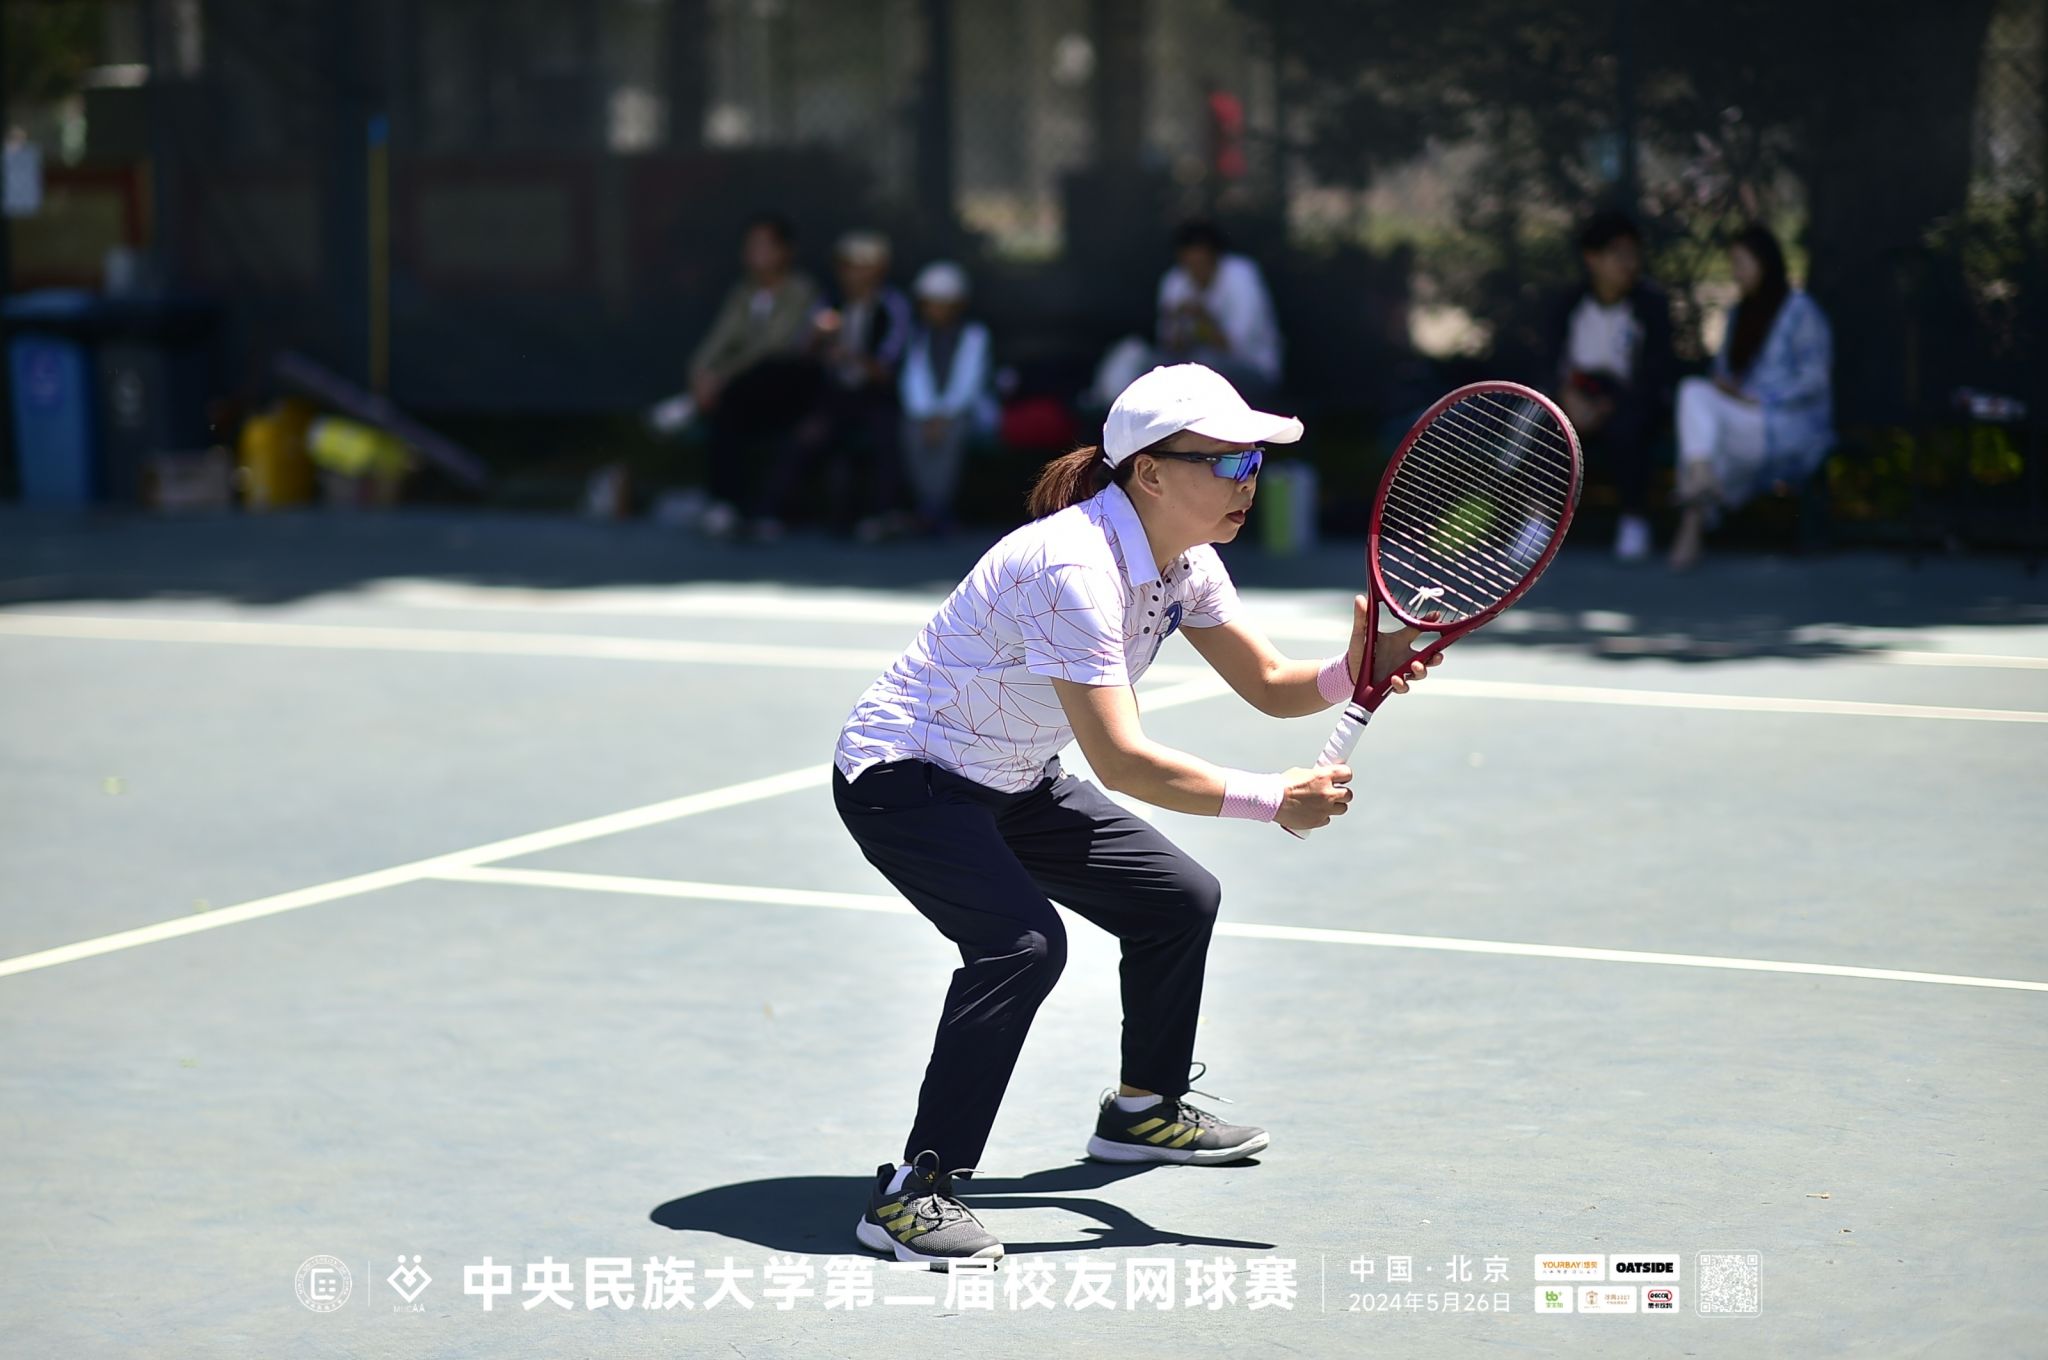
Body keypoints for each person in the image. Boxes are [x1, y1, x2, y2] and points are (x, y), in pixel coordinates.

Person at [834, 363, 1441, 1269]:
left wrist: (1357, 664)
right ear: (1150, 473)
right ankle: (912, 1193)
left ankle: (1142, 1111)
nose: (1249, 480)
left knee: (1176, 900)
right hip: (906, 777)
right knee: (1020, 946)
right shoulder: (1071, 568)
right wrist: (1275, 801)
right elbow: (1121, 761)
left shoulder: (1184, 562)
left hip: (1011, 776)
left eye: (1255, 462)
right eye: (1228, 461)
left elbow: (1269, 685)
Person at [1669, 224, 1834, 571]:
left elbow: (1814, 380)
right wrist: (1728, 388)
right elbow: (1724, 373)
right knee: (1694, 396)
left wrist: (1758, 398)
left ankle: (1692, 519)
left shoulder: (1799, 310)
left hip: (1785, 427)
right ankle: (1699, 486)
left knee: (1701, 429)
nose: (1736, 272)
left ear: (1765, 262)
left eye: (1741, 263)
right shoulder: (1738, 314)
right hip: (1744, 423)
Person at [1545, 208, 1677, 563]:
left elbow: (1656, 373)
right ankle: (1537, 521)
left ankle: (1634, 519)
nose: (1628, 263)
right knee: (1546, 426)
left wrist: (1608, 406)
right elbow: (1549, 364)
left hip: (1629, 402)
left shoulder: (1651, 305)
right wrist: (1569, 398)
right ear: (1592, 258)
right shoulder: (1569, 304)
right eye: (1618, 254)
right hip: (1573, 398)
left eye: (1633, 253)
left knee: (1629, 429)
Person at [685, 214, 823, 538]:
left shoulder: (802, 290)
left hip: (787, 386)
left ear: (785, 251)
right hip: (742, 391)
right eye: (751, 246)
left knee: (746, 386)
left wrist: (721, 378)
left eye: (764, 246)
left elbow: (773, 346)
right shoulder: (742, 293)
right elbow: (717, 340)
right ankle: (726, 505)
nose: (755, 254)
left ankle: (742, 505)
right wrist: (700, 373)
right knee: (727, 409)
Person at [897, 261, 997, 537]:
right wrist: (928, 414)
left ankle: (937, 508)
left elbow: (968, 381)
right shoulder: (916, 335)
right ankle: (928, 506)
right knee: (911, 432)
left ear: (958, 305)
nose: (936, 310)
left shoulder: (975, 335)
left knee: (952, 434)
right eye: (930, 304)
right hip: (923, 414)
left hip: (964, 412)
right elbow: (913, 378)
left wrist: (944, 415)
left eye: (943, 304)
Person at [1155, 219, 1283, 404]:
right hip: (1190, 378)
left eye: (1201, 263)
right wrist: (1177, 324)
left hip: (1255, 371)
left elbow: (1235, 347)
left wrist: (1203, 318)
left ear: (1215, 257)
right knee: (1138, 358)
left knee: (1203, 367)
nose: (1196, 271)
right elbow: (1169, 348)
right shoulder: (1174, 281)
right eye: (1189, 264)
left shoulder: (1242, 276)